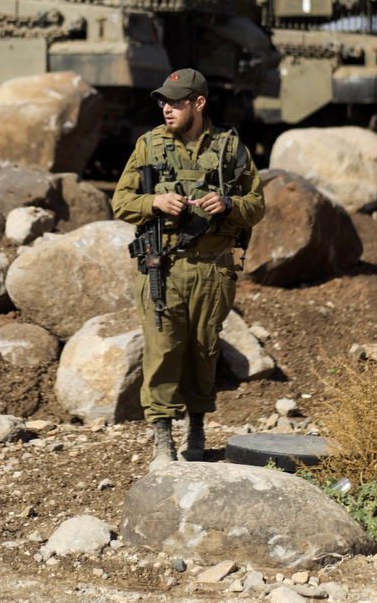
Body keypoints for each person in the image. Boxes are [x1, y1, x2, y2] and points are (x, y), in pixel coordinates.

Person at [111, 68, 265, 467]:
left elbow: (256, 204)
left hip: (213, 270)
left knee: (203, 349)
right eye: (163, 101)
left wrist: (228, 205)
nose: (166, 108)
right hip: (163, 267)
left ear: (199, 103)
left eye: (176, 102)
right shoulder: (148, 145)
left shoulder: (230, 147)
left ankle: (195, 428)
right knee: (162, 350)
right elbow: (121, 201)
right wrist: (155, 202)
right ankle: (162, 439)